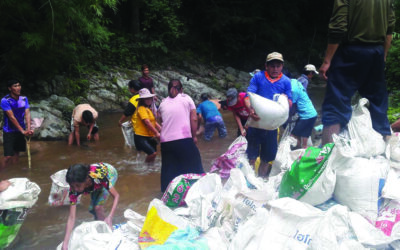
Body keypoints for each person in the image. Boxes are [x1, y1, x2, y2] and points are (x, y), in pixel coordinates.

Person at [319, 0, 395, 145]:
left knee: (336, 102)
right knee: (378, 104)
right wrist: (383, 54)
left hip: (350, 51)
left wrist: (327, 60)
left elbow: (339, 26)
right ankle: (384, 151)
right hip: (376, 52)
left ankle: (326, 155)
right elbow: (390, 27)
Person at [245, 52, 292, 177]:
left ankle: (260, 181)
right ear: (266, 66)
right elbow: (248, 96)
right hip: (256, 123)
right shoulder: (258, 77)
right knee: (251, 156)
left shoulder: (286, 82)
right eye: (272, 66)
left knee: (267, 157)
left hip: (272, 126)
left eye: (278, 66)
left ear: (282, 66)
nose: (275, 69)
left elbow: (290, 102)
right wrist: (250, 109)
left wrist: (285, 103)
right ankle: (249, 180)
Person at [157, 79, 204, 192]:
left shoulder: (163, 103)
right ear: (181, 89)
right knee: (194, 167)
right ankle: (198, 190)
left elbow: (159, 118)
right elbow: (194, 118)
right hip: (183, 139)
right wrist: (194, 136)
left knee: (169, 170)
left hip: (165, 143)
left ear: (168, 90)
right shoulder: (186, 98)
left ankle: (167, 194)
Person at [62, 162, 119, 250]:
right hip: (93, 183)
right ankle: (102, 224)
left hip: (109, 173)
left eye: (78, 185)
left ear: (86, 180)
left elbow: (116, 196)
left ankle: (107, 231)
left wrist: (110, 216)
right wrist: (65, 242)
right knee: (92, 209)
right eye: (72, 186)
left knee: (98, 208)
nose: (76, 189)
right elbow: (72, 217)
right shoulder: (74, 190)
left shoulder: (99, 176)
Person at [1, 80, 33, 167]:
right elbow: (11, 117)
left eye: (19, 85)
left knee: (16, 153)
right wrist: (22, 131)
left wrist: (29, 129)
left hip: (20, 130)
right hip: (9, 131)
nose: (18, 88)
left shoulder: (23, 99)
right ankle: (2, 173)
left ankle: (14, 173)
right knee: (8, 156)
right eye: (15, 86)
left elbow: (27, 113)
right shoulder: (5, 100)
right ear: (9, 88)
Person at [134, 88, 161, 163]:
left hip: (149, 136)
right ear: (142, 100)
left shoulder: (148, 109)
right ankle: (145, 168)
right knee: (152, 153)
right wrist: (156, 133)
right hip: (141, 136)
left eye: (149, 98)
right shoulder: (141, 108)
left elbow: (153, 122)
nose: (148, 100)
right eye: (146, 99)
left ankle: (150, 170)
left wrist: (160, 129)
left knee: (154, 155)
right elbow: (147, 122)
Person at [290, 79, 317, 149]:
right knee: (305, 134)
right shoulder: (295, 81)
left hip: (306, 115)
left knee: (293, 135)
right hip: (312, 113)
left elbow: (292, 108)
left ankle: (297, 150)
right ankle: (304, 149)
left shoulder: (293, 90)